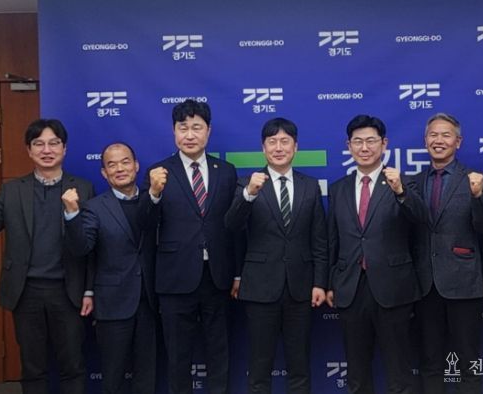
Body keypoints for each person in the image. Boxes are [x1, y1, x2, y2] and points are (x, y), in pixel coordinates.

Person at [0, 118, 94, 394]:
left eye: (53, 143)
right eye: (39, 144)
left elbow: (90, 247)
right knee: (32, 368)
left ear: (64, 148)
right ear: (29, 150)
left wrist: (89, 289)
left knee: (73, 366)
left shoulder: (83, 188)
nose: (46, 150)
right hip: (26, 292)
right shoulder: (13, 190)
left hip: (68, 291)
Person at [224, 118, 327, 394]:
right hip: (260, 287)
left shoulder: (310, 186)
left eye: (284, 142)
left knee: (299, 365)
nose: (278, 148)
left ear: (296, 147)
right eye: (272, 142)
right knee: (260, 366)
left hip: (300, 288)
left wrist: (319, 282)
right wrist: (248, 195)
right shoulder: (247, 183)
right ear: (263, 148)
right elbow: (231, 226)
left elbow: (319, 239)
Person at [326, 114, 426, 394]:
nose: (364, 147)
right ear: (348, 146)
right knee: (356, 371)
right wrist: (330, 282)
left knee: (399, 371)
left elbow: (421, 220)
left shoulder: (404, 182)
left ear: (384, 144)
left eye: (371, 141)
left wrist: (401, 192)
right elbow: (332, 240)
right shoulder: (338, 189)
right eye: (358, 141)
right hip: (350, 288)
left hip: (393, 287)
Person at [145, 99, 239, 394]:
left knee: (219, 352)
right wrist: (153, 194)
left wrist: (236, 273)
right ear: (174, 131)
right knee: (178, 356)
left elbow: (234, 226)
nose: (189, 134)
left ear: (208, 131)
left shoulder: (226, 171)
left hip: (217, 276)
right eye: (182, 127)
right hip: (175, 277)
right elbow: (145, 225)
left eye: (196, 127)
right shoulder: (159, 171)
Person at [408, 113, 483, 394]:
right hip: (425, 286)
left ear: (458, 142)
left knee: (468, 361)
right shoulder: (413, 182)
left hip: (465, 284)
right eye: (433, 135)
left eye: (446, 135)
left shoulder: (474, 179)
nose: (439, 140)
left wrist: (478, 196)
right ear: (425, 140)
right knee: (429, 361)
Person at [63, 142, 158, 394]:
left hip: (149, 303)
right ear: (104, 173)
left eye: (125, 162)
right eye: (112, 165)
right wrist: (72, 215)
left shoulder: (153, 200)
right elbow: (81, 248)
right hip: (113, 304)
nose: (120, 169)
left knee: (146, 376)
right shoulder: (94, 207)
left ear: (136, 166)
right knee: (113, 377)